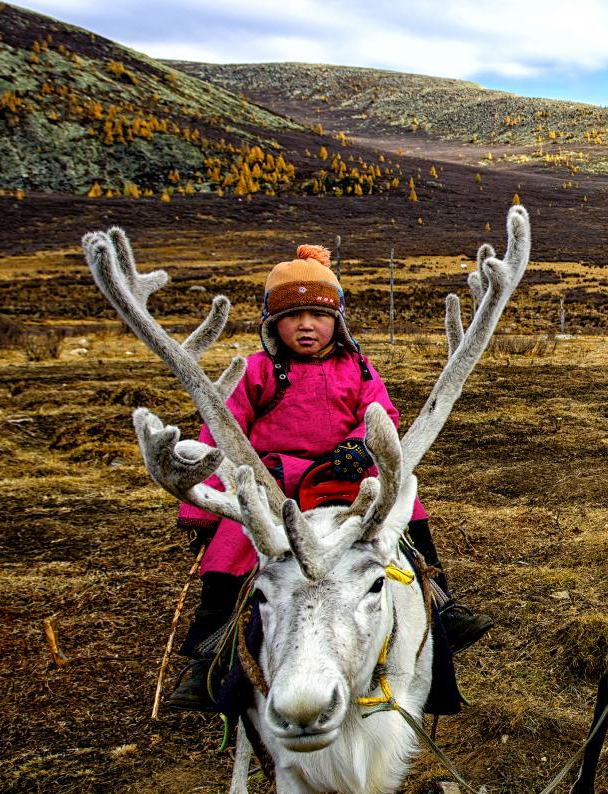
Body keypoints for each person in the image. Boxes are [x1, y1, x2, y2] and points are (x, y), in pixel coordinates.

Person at [165, 244, 493, 712]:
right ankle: (209, 655)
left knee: (406, 512)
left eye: (317, 316)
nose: (305, 326)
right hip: (274, 489)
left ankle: (441, 603)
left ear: (336, 321)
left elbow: (382, 413)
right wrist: (202, 509)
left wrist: (363, 447)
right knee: (231, 552)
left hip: (345, 483)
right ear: (271, 323)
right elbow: (219, 430)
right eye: (293, 315)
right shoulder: (257, 371)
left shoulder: (357, 368)